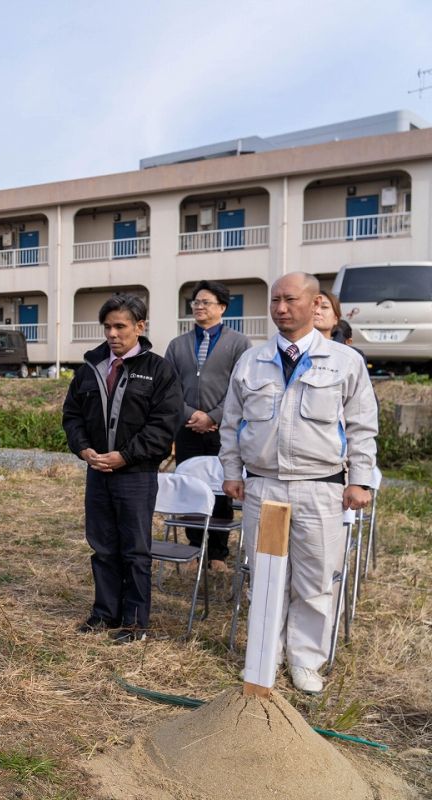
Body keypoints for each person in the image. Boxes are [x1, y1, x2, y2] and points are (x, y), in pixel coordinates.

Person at [220, 272, 378, 694]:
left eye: (290, 300)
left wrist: (359, 480)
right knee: (266, 576)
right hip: (264, 487)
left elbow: (362, 427)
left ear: (314, 304)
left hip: (320, 487)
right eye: (275, 301)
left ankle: (307, 661)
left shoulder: (345, 362)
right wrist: (232, 472)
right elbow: (232, 423)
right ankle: (264, 657)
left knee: (316, 579)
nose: (281, 308)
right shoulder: (252, 361)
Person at [63, 294, 182, 644]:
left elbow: (163, 425)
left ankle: (134, 622)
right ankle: (104, 613)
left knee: (134, 549)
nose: (113, 334)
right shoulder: (90, 368)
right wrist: (84, 449)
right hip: (97, 471)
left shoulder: (158, 370)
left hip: (136, 475)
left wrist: (125, 456)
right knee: (102, 546)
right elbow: (72, 416)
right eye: (108, 327)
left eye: (121, 326)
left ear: (140, 327)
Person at [162, 281, 252, 573]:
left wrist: (213, 417)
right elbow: (169, 387)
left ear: (222, 307)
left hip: (222, 430)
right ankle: (192, 548)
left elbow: (240, 388)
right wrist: (192, 415)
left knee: (221, 487)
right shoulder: (177, 345)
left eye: (206, 302)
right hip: (186, 428)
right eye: (196, 302)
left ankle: (218, 553)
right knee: (190, 487)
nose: (199, 307)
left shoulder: (239, 343)